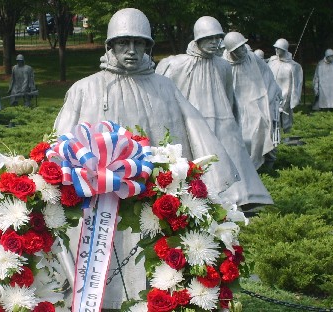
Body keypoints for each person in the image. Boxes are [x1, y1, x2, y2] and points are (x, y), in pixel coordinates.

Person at [55, 8, 241, 309]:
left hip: (153, 200)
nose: (131, 50)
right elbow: (61, 145)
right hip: (100, 204)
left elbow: (195, 132)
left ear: (148, 47)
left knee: (147, 260)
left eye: (139, 43)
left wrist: (212, 180)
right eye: (123, 42)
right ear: (110, 45)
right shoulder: (85, 89)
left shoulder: (164, 88)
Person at [156, 16, 273, 208]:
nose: (214, 43)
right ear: (198, 39)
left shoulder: (223, 65)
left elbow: (229, 95)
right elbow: (167, 93)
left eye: (217, 38)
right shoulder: (180, 64)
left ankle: (240, 197)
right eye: (209, 38)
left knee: (232, 157)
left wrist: (232, 121)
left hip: (223, 120)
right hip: (194, 120)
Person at [222, 32, 282, 169]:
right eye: (238, 49)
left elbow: (268, 77)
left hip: (256, 103)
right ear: (231, 51)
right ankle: (244, 167)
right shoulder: (223, 63)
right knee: (241, 136)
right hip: (235, 106)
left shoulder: (253, 58)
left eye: (243, 46)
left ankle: (266, 166)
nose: (243, 50)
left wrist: (273, 96)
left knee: (261, 128)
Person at [267, 38, 303, 133]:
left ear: (284, 49)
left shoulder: (292, 66)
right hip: (273, 93)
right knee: (273, 114)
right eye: (275, 48)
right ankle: (275, 133)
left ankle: (287, 132)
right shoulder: (272, 62)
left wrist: (294, 98)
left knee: (285, 114)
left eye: (278, 48)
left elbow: (297, 83)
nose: (276, 50)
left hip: (286, 94)